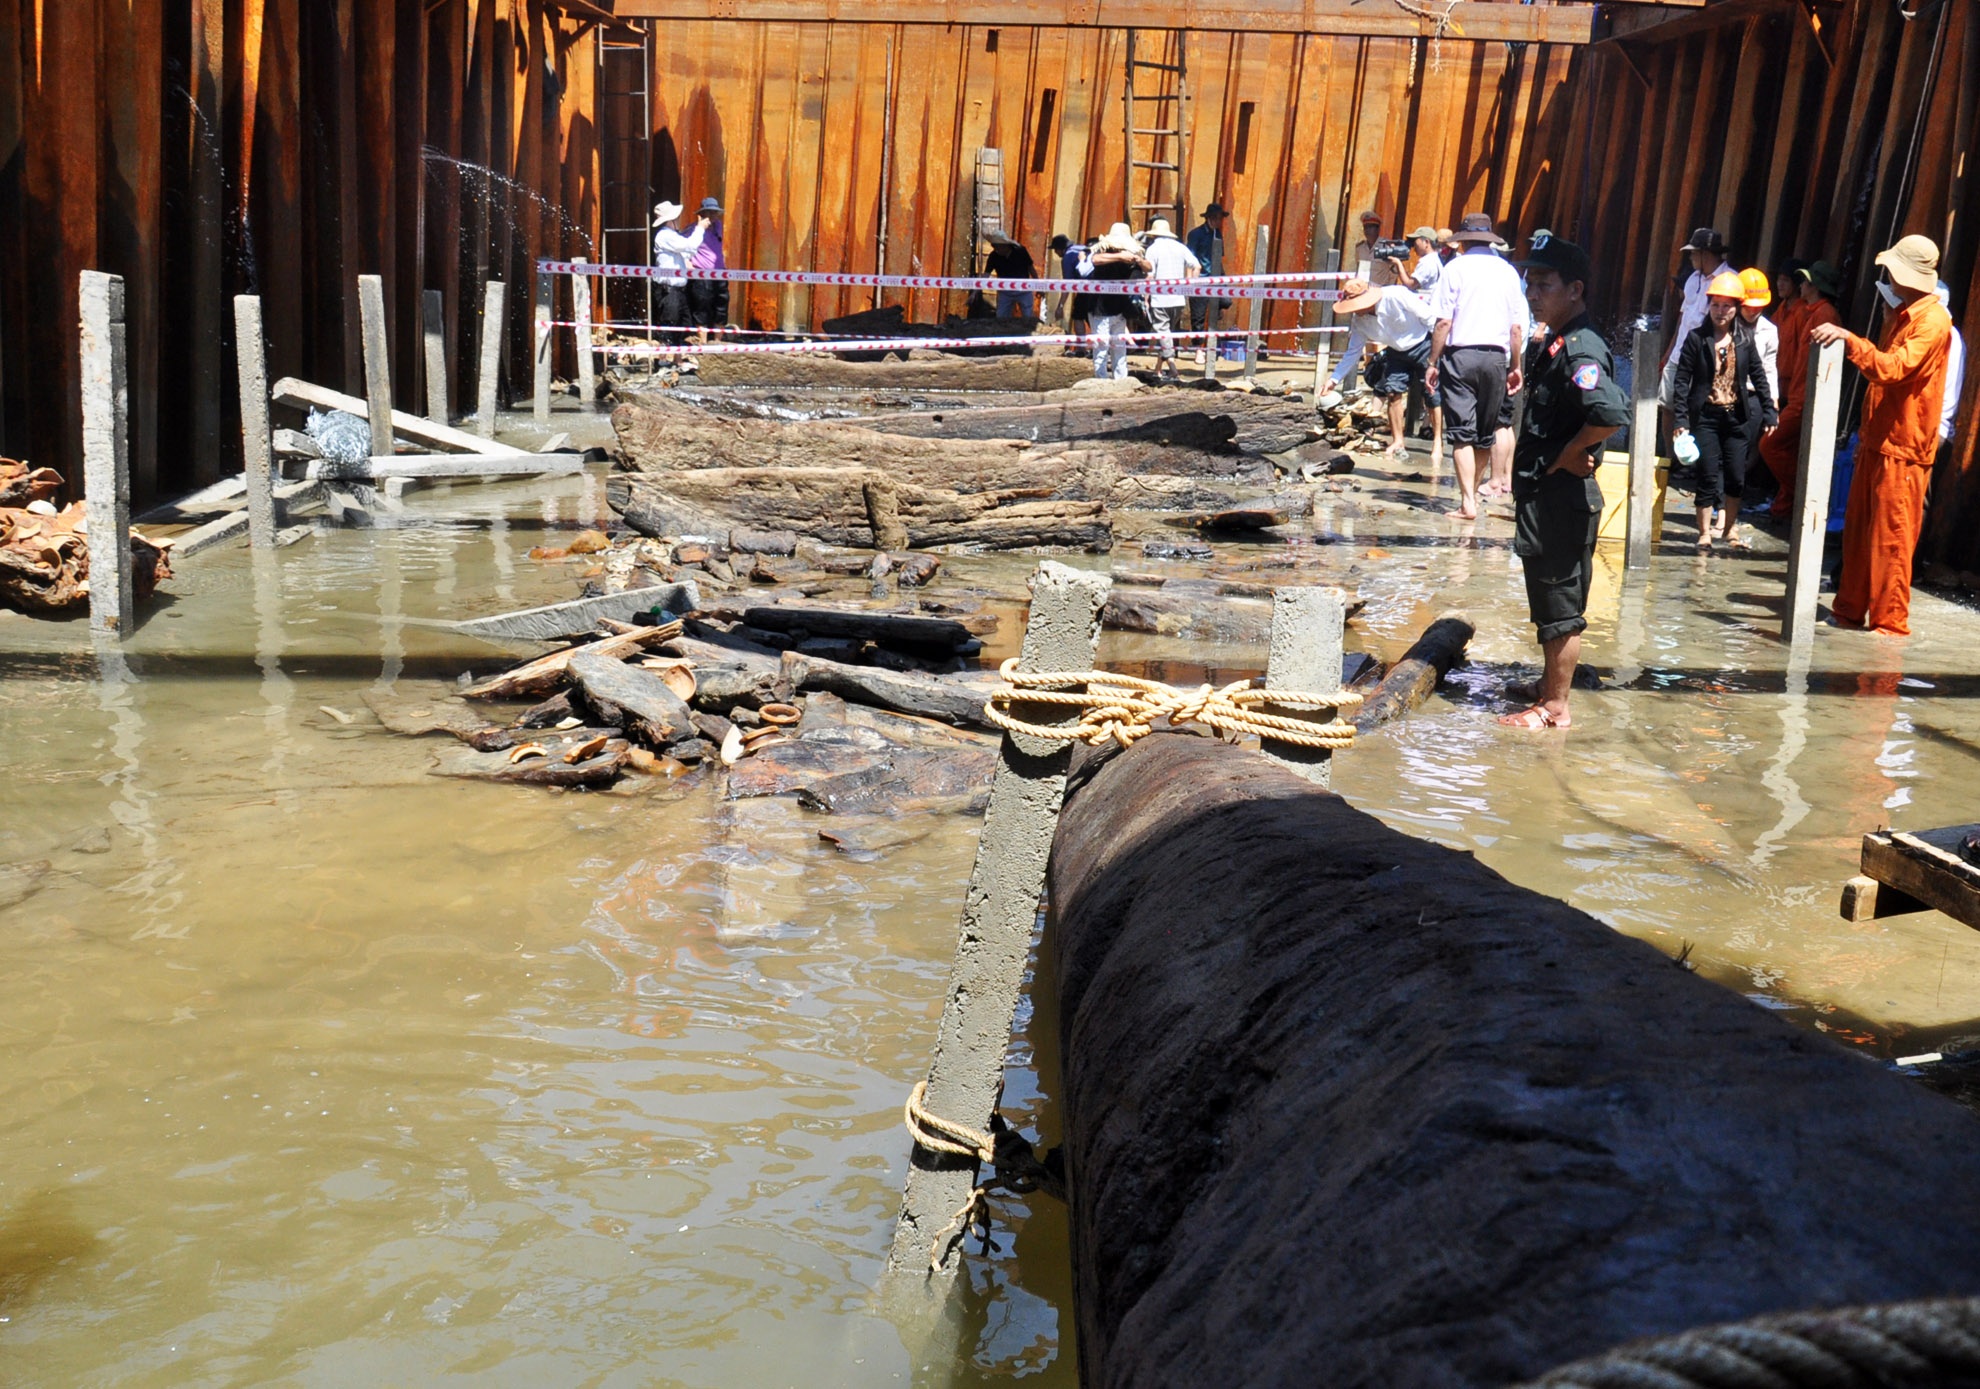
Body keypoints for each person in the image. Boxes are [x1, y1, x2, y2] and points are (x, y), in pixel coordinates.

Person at [1497, 237, 1629, 731]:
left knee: (1560, 605)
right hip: (1544, 495)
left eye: (1545, 285)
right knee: (1548, 597)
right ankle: (1548, 684)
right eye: (1530, 283)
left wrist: (1569, 456)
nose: (1534, 293)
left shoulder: (1580, 348)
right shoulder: (1555, 339)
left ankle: (1555, 708)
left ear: (1575, 290)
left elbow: (1610, 413)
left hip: (1561, 498)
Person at [1810, 234, 1955, 635]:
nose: (1887, 277)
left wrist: (1850, 340)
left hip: (1904, 449)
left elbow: (1893, 369)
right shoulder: (1905, 313)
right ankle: (1849, 611)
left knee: (1891, 541)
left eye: (1891, 270)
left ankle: (1890, 628)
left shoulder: (1933, 321)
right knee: (1857, 533)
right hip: (1877, 442)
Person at [1426, 212, 1528, 519]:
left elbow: (1444, 321)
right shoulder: (1509, 272)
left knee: (1461, 434)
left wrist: (1432, 362)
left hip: (1461, 356)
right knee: (1485, 433)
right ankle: (1475, 492)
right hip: (1497, 357)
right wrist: (1516, 365)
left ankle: (1467, 501)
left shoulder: (1455, 268)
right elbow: (1516, 328)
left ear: (1463, 241)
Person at [1671, 271, 1776, 550]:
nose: (1721, 311)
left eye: (1727, 306)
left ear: (1736, 308)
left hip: (1737, 416)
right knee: (1707, 473)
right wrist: (1680, 418)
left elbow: (1759, 375)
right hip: (1705, 415)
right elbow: (1682, 380)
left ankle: (1729, 529)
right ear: (1709, 306)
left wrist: (1769, 410)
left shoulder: (1744, 341)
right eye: (1716, 305)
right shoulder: (1696, 339)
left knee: (1736, 475)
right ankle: (1704, 533)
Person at [1763, 261, 1844, 519]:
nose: (1801, 285)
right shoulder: (1809, 312)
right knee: (1794, 450)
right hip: (1797, 392)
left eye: (1805, 282)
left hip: (1807, 397)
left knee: (1770, 445)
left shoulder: (1824, 315)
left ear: (1815, 286)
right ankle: (1784, 508)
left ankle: (1806, 495)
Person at [1326, 278, 1440, 460]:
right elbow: (1353, 352)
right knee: (1392, 392)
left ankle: (1437, 442)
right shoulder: (1359, 321)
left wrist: (1437, 351)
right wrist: (1333, 379)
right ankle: (1398, 440)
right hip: (1395, 350)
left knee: (1432, 395)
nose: (1355, 310)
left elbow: (1429, 317)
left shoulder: (1396, 295)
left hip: (1423, 343)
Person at [1660, 228, 1735, 403]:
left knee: (1694, 408)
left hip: (1703, 359)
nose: (1691, 257)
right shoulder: (1693, 279)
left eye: (1693, 253)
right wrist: (1669, 352)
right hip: (1678, 356)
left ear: (1705, 254)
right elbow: (1683, 318)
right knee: (1667, 403)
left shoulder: (1730, 280)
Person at [1080, 223, 1150, 381]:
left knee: (1119, 348)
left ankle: (1121, 380)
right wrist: (1119, 257)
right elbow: (1095, 259)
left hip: (1119, 309)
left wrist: (1137, 259)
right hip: (1101, 309)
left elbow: (1148, 267)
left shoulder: (1131, 257)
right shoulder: (1103, 252)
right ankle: (1101, 380)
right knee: (1101, 347)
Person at [1142, 218, 1201, 382]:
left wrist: (1146, 298)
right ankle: (1158, 370)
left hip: (1160, 299)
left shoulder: (1152, 249)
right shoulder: (1180, 247)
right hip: (1178, 298)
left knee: (1163, 333)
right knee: (1166, 334)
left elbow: (1149, 275)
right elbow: (1197, 266)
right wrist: (1190, 285)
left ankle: (1174, 370)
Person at [652, 200, 709, 350]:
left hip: (677, 290)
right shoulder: (665, 235)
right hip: (669, 290)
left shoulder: (672, 236)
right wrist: (700, 229)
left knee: (680, 326)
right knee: (669, 326)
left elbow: (688, 250)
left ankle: (676, 359)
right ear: (671, 220)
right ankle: (663, 360)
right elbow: (689, 246)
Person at [1187, 202, 1229, 365]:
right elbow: (1190, 258)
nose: (1220, 221)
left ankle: (1209, 344)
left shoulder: (1218, 234)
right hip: (1201, 279)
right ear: (1212, 218)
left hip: (1216, 277)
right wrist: (1191, 281)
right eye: (1219, 218)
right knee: (1198, 316)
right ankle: (1199, 349)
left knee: (1225, 301)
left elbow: (1219, 256)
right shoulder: (1196, 234)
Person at [686, 196, 728, 346]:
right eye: (709, 213)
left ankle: (717, 341)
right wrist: (687, 263)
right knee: (701, 307)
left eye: (715, 213)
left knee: (721, 305)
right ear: (702, 214)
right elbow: (682, 247)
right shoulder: (692, 230)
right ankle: (702, 341)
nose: (713, 217)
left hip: (720, 273)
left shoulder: (718, 227)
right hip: (702, 273)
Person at [984, 233, 1037, 318]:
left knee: (1028, 316)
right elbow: (986, 275)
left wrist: (1038, 284)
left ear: (1005, 246)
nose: (996, 250)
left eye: (997, 247)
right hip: (1005, 292)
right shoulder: (993, 256)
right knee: (1001, 317)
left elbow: (1031, 268)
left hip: (1023, 290)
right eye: (994, 247)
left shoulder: (1021, 251)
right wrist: (975, 291)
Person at [1353, 210, 1400, 288]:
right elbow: (1358, 268)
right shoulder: (1360, 248)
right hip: (1363, 290)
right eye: (1365, 227)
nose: (1367, 230)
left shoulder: (1386, 247)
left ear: (1378, 229)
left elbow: (1394, 271)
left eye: (1370, 227)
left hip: (1380, 291)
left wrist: (1388, 288)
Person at [1396, 226, 1443, 299]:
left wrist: (1398, 263)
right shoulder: (1435, 258)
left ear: (1426, 242)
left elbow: (1410, 284)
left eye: (1416, 241)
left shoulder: (1427, 262)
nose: (1414, 246)